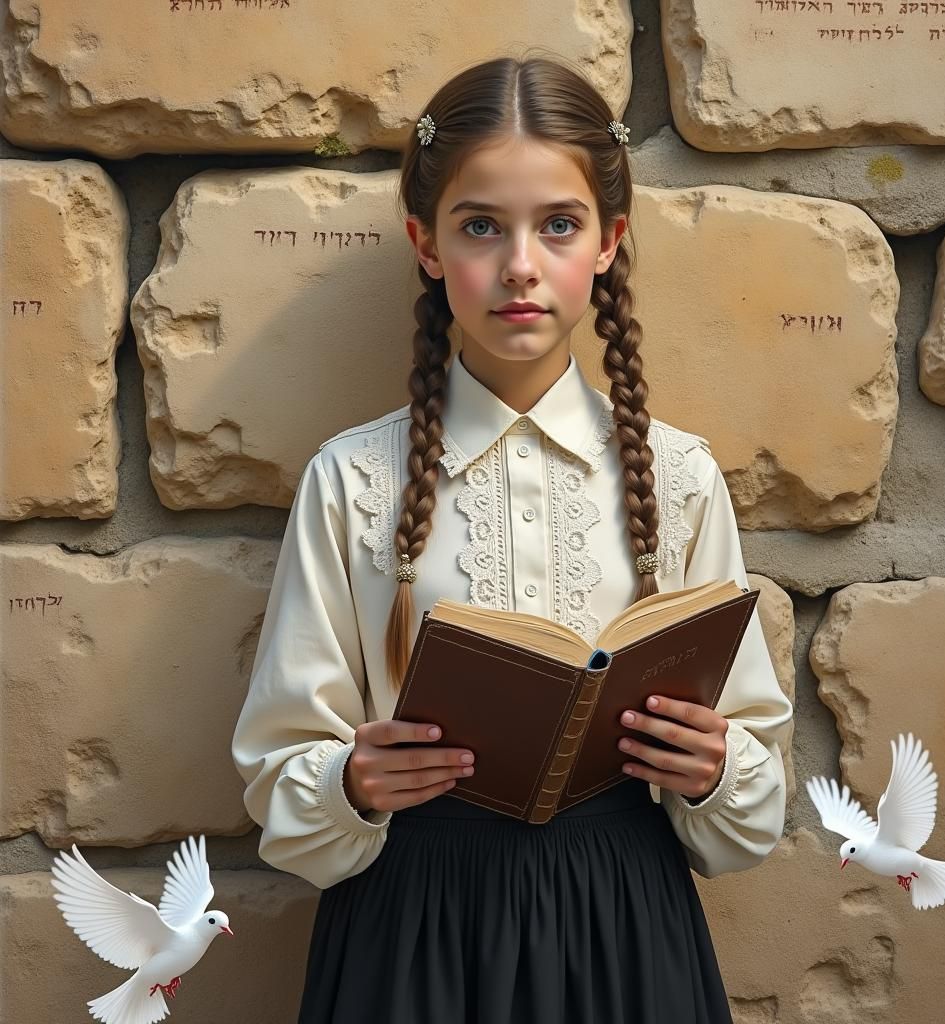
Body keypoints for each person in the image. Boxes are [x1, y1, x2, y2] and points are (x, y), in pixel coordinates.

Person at [231, 54, 793, 1024]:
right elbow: (281, 779)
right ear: (425, 240)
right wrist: (353, 782)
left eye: (558, 225)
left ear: (609, 241)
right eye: (481, 226)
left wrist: (711, 769)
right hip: (413, 932)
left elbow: (749, 807)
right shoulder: (352, 482)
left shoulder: (680, 476)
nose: (519, 265)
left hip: (623, 926)